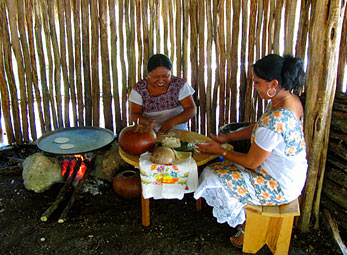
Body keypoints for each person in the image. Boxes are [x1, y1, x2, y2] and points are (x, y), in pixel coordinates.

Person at [194, 54, 308, 248]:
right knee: (225, 166)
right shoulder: (289, 100)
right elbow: (258, 127)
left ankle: (246, 223)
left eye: (257, 82)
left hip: (279, 186)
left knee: (211, 174)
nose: (254, 87)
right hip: (291, 176)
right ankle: (246, 216)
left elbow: (251, 162)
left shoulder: (276, 118)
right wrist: (227, 138)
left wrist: (220, 149)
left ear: (273, 83)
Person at [129, 54, 196, 133]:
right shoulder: (139, 89)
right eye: (156, 77)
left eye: (165, 76)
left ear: (170, 73)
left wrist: (172, 122)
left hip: (178, 131)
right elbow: (135, 114)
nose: (161, 80)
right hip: (150, 133)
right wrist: (147, 123)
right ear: (148, 74)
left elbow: (191, 109)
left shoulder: (179, 85)